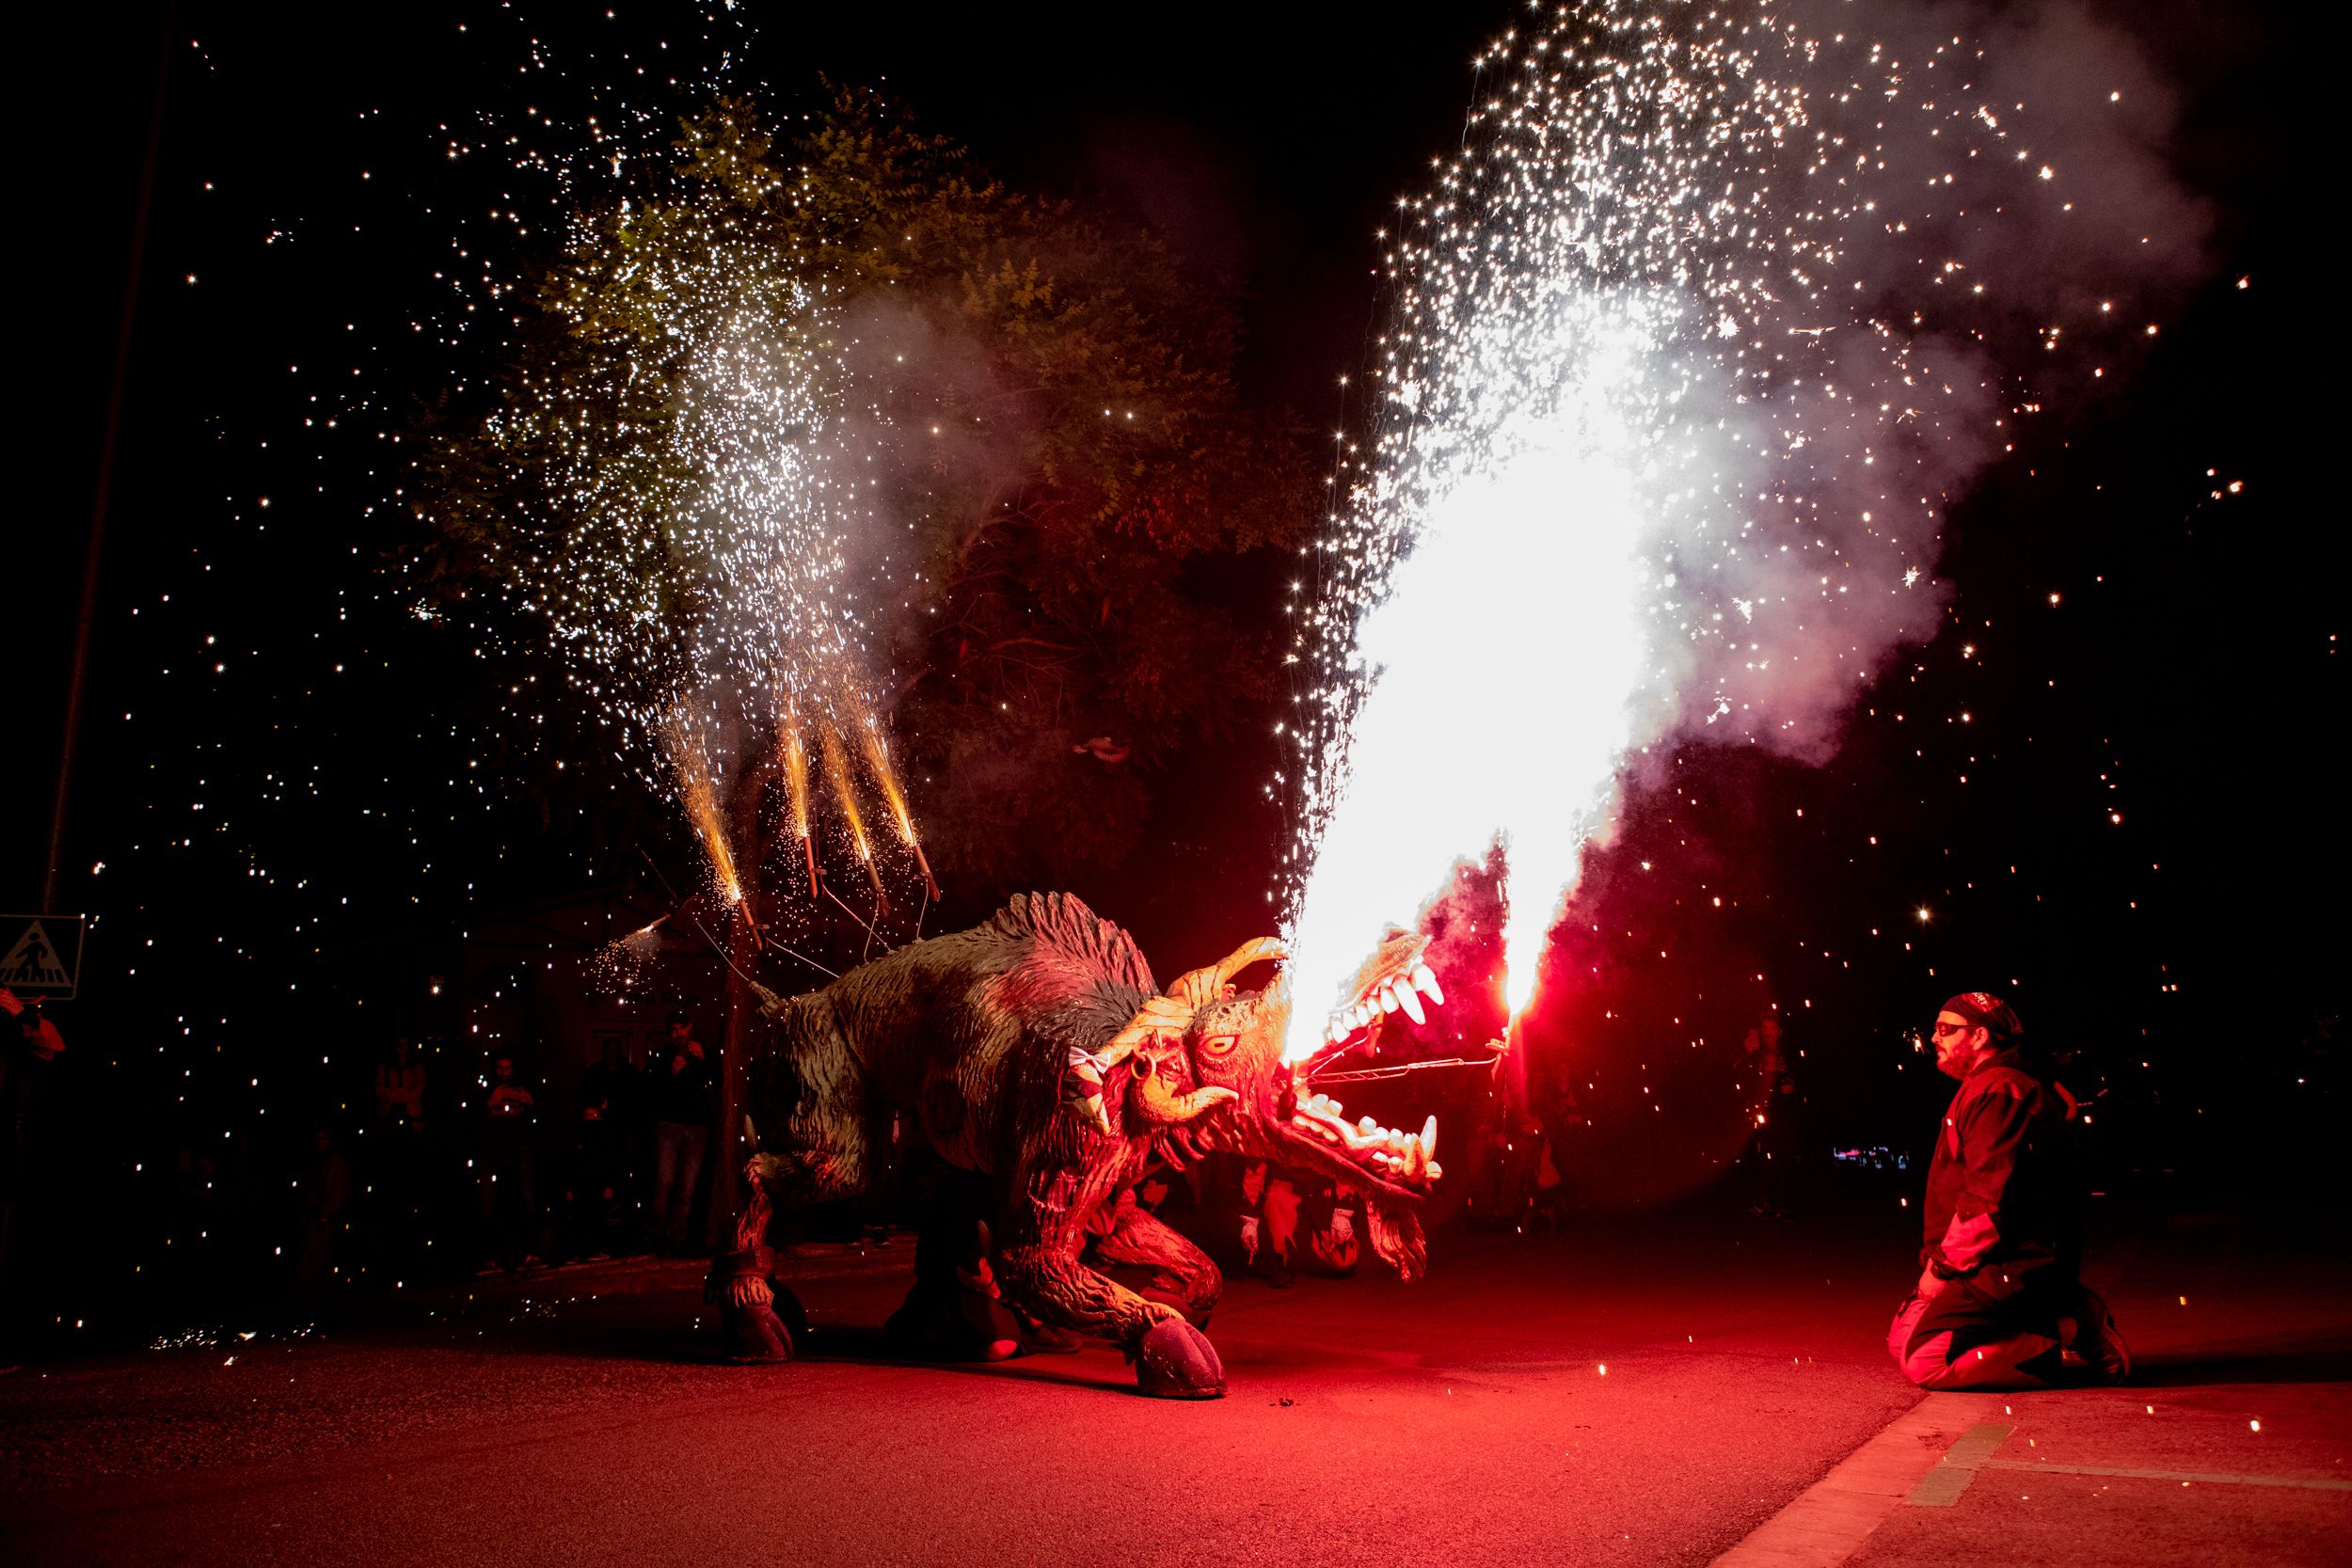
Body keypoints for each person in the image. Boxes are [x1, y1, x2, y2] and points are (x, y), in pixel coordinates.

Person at [1886, 991, 2130, 1388]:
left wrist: (1944, 1267)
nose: (1934, 1038)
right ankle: (2043, 1329)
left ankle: (2074, 1324)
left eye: (1946, 1030)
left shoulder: (2000, 1091)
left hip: (2007, 1266)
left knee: (1924, 1362)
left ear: (1980, 1036)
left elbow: (1988, 1202)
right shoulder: (1988, 1084)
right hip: (1982, 1262)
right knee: (1902, 1341)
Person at [648, 1011, 715, 1253]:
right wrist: (671, 1074)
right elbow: (651, 1090)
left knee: (687, 1187)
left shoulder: (704, 1052)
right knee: (664, 1181)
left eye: (682, 1028)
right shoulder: (663, 1055)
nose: (678, 1034)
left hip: (697, 1127)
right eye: (674, 1030)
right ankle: (655, 1235)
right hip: (669, 1125)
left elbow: (716, 1084)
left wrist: (703, 1059)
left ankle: (675, 1239)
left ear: (690, 1027)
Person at [476, 1054, 544, 1272]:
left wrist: (531, 1104)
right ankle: (490, 1256)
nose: (504, 1073)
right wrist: (490, 1103)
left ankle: (529, 1252)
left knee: (526, 1199)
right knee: (490, 1202)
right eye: (500, 1068)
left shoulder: (522, 1087)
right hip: (493, 1150)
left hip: (519, 1148)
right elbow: (474, 1117)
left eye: (508, 1068)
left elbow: (536, 1116)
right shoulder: (487, 1088)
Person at [1743, 1009, 1797, 1217]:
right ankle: (1764, 1200)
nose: (1768, 1032)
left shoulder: (1788, 1053)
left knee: (1784, 1155)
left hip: (1785, 1111)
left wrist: (1792, 1088)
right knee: (1764, 1156)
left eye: (1772, 1028)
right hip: (1762, 1112)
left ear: (1779, 1031)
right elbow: (1742, 1073)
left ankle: (1781, 1201)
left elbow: (1800, 1072)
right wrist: (1746, 1053)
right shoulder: (1756, 1051)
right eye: (1765, 1028)